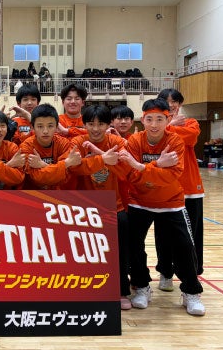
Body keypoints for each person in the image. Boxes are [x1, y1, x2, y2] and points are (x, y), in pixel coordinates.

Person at [118, 98, 205, 316]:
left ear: (168, 120)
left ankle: (191, 292)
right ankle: (142, 287)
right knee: (134, 246)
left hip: (171, 202)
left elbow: (172, 175)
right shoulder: (135, 141)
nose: (154, 124)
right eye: (150, 119)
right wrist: (156, 165)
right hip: (139, 201)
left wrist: (141, 167)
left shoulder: (175, 141)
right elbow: (131, 175)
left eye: (159, 119)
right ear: (143, 119)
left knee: (185, 247)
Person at [69, 105, 132, 310]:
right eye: (91, 124)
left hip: (114, 206)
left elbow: (125, 170)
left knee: (119, 251)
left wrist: (95, 158)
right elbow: (74, 168)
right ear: (84, 124)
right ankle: (85, 289)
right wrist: (103, 159)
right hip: (84, 208)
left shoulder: (116, 142)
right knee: (83, 251)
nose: (96, 129)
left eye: (101, 124)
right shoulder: (77, 142)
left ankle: (121, 291)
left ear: (108, 125)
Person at [154, 88, 205, 292]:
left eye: (174, 102)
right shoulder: (155, 126)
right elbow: (157, 138)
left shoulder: (191, 122)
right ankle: (165, 272)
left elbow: (190, 138)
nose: (171, 105)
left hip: (190, 189)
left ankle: (191, 275)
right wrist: (168, 125)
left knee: (191, 236)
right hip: (165, 189)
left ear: (180, 104)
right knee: (163, 234)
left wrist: (168, 127)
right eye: (166, 102)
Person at [20, 104, 81, 190]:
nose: (45, 131)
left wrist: (42, 165)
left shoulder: (64, 143)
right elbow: (38, 178)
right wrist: (66, 163)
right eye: (40, 126)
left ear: (56, 127)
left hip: (57, 194)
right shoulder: (26, 146)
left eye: (50, 126)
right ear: (32, 127)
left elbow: (65, 177)